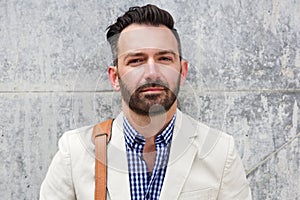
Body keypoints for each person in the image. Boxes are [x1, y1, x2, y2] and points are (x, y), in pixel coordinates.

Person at [40, 4, 252, 200]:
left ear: (182, 71)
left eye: (165, 59)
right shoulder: (74, 151)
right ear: (115, 77)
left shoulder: (221, 152)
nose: (152, 72)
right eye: (136, 60)